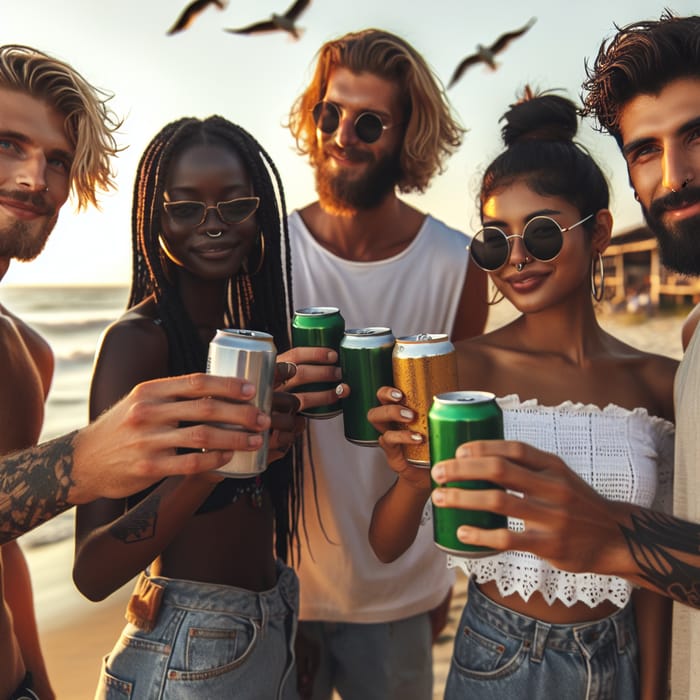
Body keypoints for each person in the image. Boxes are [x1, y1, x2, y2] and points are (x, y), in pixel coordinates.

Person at [419, 13, 700, 700]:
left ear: (597, 231)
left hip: (621, 652)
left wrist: (612, 538)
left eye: (541, 235)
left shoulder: (664, 375)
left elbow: (655, 568)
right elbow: (401, 534)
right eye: (645, 150)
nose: (676, 174)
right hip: (497, 652)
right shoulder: (692, 353)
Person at [0, 44, 291, 700]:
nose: (32, 179)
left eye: (55, 161)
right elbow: (93, 566)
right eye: (6, 144)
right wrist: (83, 460)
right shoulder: (139, 341)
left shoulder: (28, 354)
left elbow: (5, 552)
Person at [73, 115, 344, 699]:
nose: (214, 226)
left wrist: (283, 626)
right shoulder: (140, 342)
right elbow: (92, 571)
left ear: (261, 213)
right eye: (187, 207)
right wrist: (216, 461)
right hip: (183, 652)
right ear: (155, 218)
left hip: (264, 626)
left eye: (235, 205)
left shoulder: (247, 338)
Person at [286, 28, 488, 700]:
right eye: (329, 113)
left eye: (369, 122)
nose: (342, 134)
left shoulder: (455, 265)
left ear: (406, 137)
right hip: (283, 591)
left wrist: (443, 579)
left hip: (403, 593)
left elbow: (453, 441)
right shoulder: (267, 252)